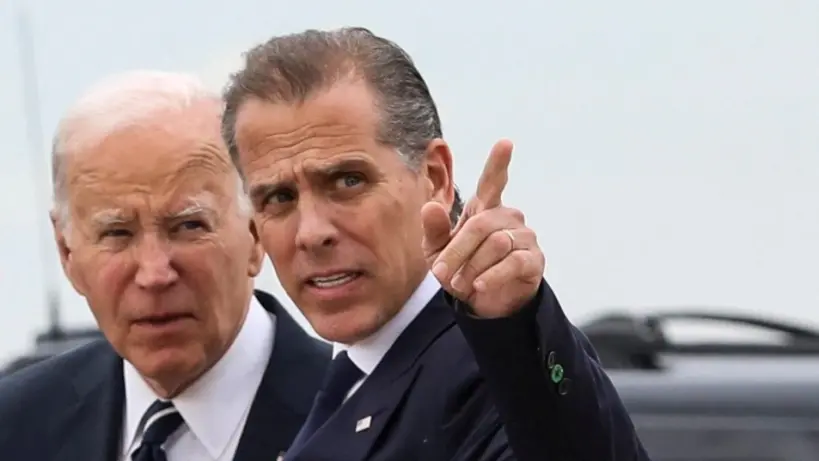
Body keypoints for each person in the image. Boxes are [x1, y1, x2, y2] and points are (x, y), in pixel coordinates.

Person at [221, 27, 651, 461]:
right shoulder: (334, 382)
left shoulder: (492, 378)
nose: (312, 233)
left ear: (435, 178)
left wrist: (512, 327)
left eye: (348, 181)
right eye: (279, 197)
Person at [0, 71, 331, 461]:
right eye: (117, 233)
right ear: (66, 252)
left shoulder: (360, 418)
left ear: (256, 233)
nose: (154, 274)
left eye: (189, 226)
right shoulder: (16, 427)